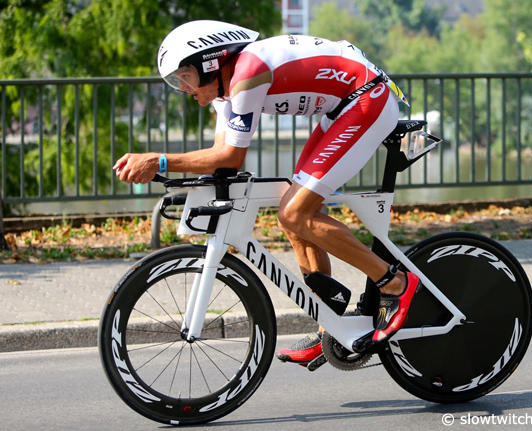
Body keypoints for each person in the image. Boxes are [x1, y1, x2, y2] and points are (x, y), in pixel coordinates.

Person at [113, 20, 420, 366]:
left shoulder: (247, 73)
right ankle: (331, 327)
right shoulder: (225, 91)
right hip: (344, 105)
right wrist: (173, 171)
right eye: (177, 81)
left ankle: (394, 283)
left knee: (296, 212)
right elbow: (219, 157)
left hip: (366, 99)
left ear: (210, 62)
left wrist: (160, 161)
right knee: (292, 218)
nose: (184, 89)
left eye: (186, 77)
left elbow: (231, 156)